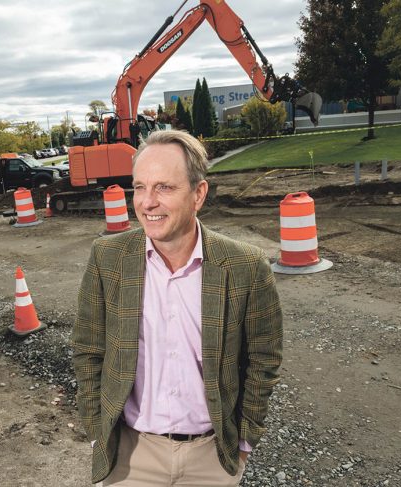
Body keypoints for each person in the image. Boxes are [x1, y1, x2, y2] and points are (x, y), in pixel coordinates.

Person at [73, 130, 283, 486]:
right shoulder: (107, 257)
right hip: (130, 455)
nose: (147, 202)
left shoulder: (246, 266)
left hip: (211, 459)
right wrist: (98, 430)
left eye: (164, 188)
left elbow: (264, 359)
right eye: (139, 187)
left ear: (198, 193)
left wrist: (244, 442)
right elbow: (89, 349)